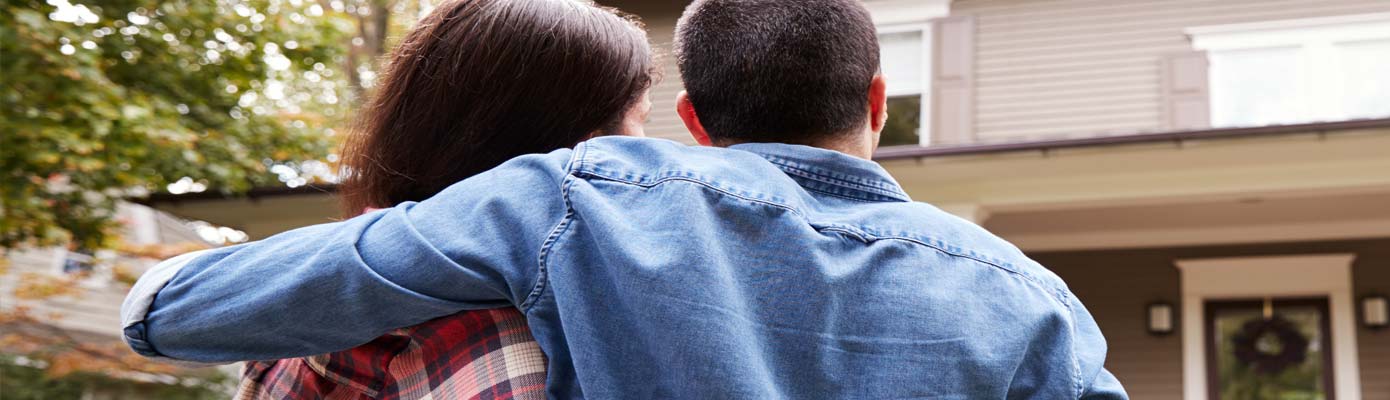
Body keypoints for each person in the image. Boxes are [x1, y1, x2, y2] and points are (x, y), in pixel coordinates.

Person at [122, 0, 1127, 397]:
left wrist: (153, 296)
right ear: (878, 102)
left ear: (690, 116)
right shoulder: (1028, 297)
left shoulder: (567, 199)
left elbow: (185, 313)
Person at [216, 0, 656, 398]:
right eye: (638, 123)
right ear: (582, 141)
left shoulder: (301, 294)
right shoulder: (527, 340)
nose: (646, 152)